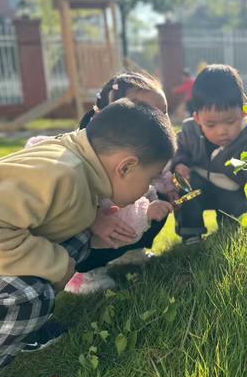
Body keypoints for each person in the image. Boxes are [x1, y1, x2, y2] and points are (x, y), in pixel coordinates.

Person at [0, 100, 175, 377]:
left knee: (78, 238)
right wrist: (55, 264)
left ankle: (23, 328)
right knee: (29, 300)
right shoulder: (65, 174)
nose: (149, 189)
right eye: (150, 179)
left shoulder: (75, 161)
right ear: (125, 167)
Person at [27, 72, 176, 296]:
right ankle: (83, 272)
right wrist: (94, 218)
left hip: (125, 212)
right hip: (86, 220)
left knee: (160, 199)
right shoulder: (85, 150)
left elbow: (162, 175)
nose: (155, 121)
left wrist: (170, 188)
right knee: (84, 229)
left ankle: (131, 251)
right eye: (144, 111)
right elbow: (66, 191)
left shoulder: (148, 148)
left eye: (162, 114)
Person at [172, 64, 247, 244]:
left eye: (230, 121)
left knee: (234, 220)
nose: (221, 131)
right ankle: (191, 233)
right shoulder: (189, 132)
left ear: (242, 113)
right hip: (199, 189)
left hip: (231, 193)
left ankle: (229, 228)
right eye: (211, 125)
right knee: (186, 188)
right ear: (197, 118)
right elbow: (180, 151)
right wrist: (180, 164)